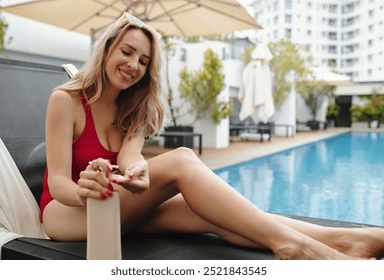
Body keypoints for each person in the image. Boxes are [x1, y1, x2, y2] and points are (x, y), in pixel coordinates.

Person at [40, 12, 384, 260]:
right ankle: (295, 247)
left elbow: (131, 160)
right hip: (66, 214)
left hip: (117, 206)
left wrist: (139, 173)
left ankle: (346, 238)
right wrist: (84, 192)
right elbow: (57, 182)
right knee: (183, 160)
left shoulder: (134, 110)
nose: (134, 65)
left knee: (212, 213)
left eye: (144, 61)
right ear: (108, 48)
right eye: (127, 52)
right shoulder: (66, 100)